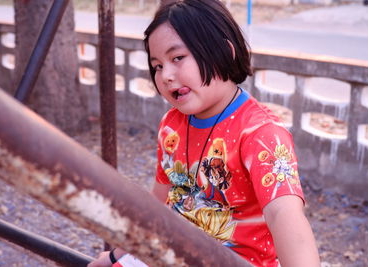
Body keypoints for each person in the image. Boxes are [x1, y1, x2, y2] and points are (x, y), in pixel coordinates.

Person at [89, 0, 320, 266]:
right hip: (167, 251)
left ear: (225, 51)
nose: (165, 76)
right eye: (157, 66)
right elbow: (159, 202)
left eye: (177, 58)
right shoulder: (171, 125)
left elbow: (284, 214)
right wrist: (118, 254)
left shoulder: (261, 134)